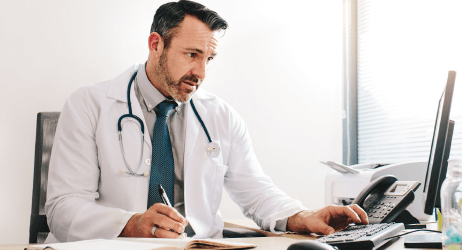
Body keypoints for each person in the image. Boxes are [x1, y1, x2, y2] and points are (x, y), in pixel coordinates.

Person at [44, 0, 367, 243]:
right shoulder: (89, 104)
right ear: (156, 45)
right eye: (191, 55)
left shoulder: (221, 116)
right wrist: (132, 223)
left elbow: (256, 192)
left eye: (208, 59)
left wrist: (304, 216)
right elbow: (63, 209)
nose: (200, 73)